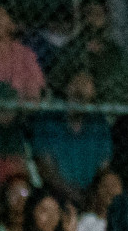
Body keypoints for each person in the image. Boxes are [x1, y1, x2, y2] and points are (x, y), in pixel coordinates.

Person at [32, 69, 112, 203]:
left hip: (92, 196)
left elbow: (104, 167)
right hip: (56, 194)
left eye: (86, 83)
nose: (80, 89)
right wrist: (71, 193)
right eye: (76, 82)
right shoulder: (48, 121)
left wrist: (91, 196)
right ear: (66, 87)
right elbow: (45, 167)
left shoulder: (99, 124)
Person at [48, 0, 128, 103]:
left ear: (106, 18)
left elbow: (123, 84)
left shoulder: (117, 53)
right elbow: (55, 79)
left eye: (98, 14)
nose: (93, 19)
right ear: (82, 18)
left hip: (107, 106)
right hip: (73, 102)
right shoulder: (70, 48)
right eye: (89, 14)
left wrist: (95, 89)